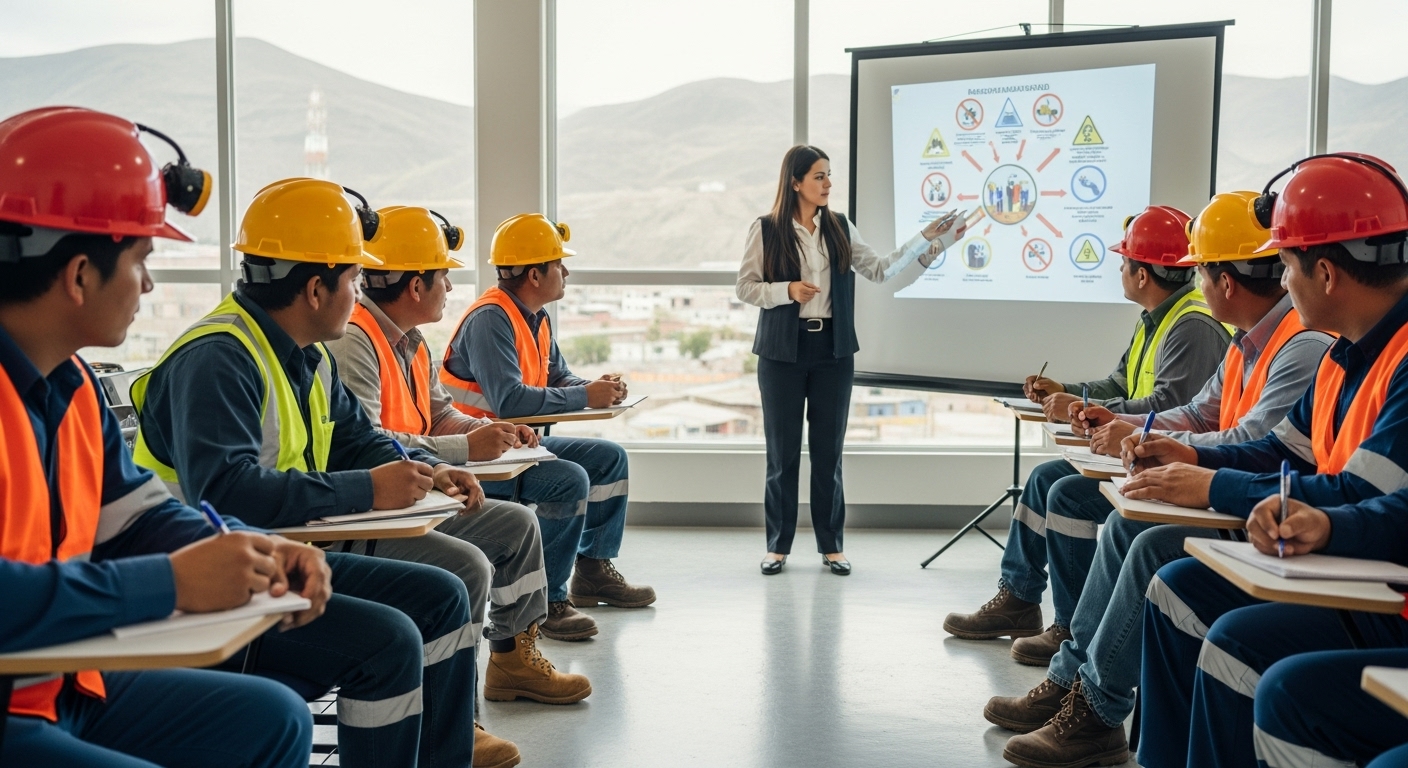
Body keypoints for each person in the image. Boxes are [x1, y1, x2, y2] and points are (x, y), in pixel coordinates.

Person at [0, 107, 460, 768]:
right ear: (77, 276)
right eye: (142, 259)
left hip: (64, 680)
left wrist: (246, 553)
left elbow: (139, 516)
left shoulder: (69, 385)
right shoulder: (215, 357)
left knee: (272, 722)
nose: (150, 283)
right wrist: (171, 583)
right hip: (22, 698)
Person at [129, 178, 526, 766]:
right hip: (218, 581)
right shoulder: (217, 360)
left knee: (443, 593)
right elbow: (229, 493)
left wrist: (424, 468)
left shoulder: (306, 355)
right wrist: (371, 488)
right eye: (355, 280)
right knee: (390, 638)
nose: (360, 294)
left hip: (285, 553)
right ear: (316, 288)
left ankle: (447, 755)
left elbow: (358, 438)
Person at [982, 192, 1332, 768]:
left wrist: (1179, 454)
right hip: (1261, 498)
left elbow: (1254, 444)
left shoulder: (1300, 345)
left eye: (1201, 269)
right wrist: (1131, 426)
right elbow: (1198, 412)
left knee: (1143, 543)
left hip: (1279, 514)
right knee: (1119, 524)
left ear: (1224, 281)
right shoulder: (1249, 339)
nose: (1194, 280)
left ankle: (1094, 707)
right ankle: (1077, 681)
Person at [1131, 154, 1408, 768]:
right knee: (1179, 587)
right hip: (1353, 575)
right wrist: (1190, 456)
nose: (1279, 284)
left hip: (1386, 596)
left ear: (1328, 274)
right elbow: (1282, 448)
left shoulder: (1400, 359)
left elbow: (1362, 497)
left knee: (1239, 648)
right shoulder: (1344, 353)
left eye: (1284, 266)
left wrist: (1211, 485)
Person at [322, 205, 597, 701]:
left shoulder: (411, 342)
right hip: (380, 504)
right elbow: (367, 442)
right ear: (415, 287)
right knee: (474, 558)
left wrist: (496, 430)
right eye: (443, 276)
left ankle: (514, 660)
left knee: (518, 525)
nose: (450, 287)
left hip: (425, 485)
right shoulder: (354, 344)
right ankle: (455, 713)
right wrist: (462, 448)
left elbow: (442, 411)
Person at [944, 204, 1230, 640]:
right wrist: (1071, 393)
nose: (1119, 269)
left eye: (1124, 262)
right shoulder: (1157, 317)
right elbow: (1121, 380)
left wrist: (1098, 412)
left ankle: (1073, 630)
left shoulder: (1191, 325)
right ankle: (1019, 599)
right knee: (1044, 479)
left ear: (1141, 276)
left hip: (1160, 458)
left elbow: (1171, 404)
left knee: (1066, 495)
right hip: (1133, 447)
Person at [736, 145, 967, 576]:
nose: (828, 184)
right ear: (795, 182)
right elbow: (745, 287)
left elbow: (880, 269)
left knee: (829, 454)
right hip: (781, 353)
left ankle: (831, 545)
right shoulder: (766, 229)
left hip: (833, 352)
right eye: (819, 176)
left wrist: (929, 242)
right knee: (782, 455)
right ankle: (778, 546)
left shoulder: (840, 226)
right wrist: (785, 290)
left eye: (828, 175)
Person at [439, 213, 656, 624]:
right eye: (558, 264)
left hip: (519, 446)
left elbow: (557, 376)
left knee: (610, 459)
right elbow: (510, 401)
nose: (566, 271)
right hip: (481, 456)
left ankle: (592, 572)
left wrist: (595, 388)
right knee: (569, 478)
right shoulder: (491, 319)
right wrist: (583, 394)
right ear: (535, 275)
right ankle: (550, 601)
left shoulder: (534, 317)